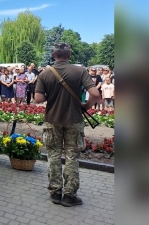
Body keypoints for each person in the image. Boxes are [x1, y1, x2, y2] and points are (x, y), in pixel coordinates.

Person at [34, 43, 100, 207]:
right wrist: (86, 105)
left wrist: (52, 94)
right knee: (72, 157)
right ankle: (70, 196)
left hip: (52, 119)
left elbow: (38, 99)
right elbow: (95, 94)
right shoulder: (80, 71)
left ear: (53, 55)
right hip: (74, 119)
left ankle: (56, 193)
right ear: (69, 55)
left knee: (54, 156)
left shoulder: (45, 74)